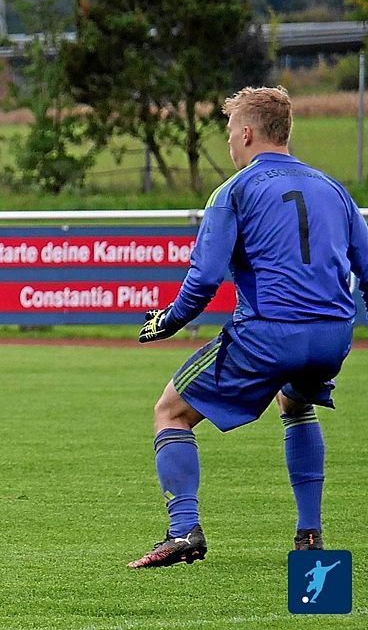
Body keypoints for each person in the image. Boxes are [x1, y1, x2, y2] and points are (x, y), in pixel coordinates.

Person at [129, 85, 368, 568]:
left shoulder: (235, 191)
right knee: (296, 403)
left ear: (247, 132)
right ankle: (309, 537)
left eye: (230, 134)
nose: (230, 144)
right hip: (332, 336)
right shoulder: (334, 190)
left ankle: (183, 533)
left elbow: (205, 278)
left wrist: (168, 321)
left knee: (170, 412)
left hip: (269, 334)